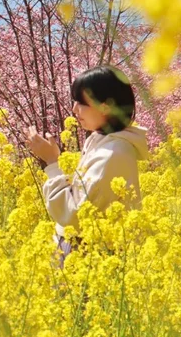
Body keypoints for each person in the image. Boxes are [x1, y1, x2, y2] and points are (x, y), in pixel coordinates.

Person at [27, 66, 149, 262]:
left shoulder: (112, 153)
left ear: (106, 106)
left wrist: (52, 162)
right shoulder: (104, 143)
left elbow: (74, 215)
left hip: (89, 259)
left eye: (82, 103)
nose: (75, 109)